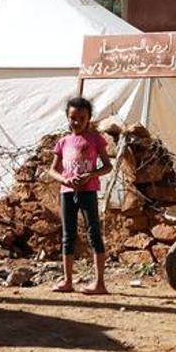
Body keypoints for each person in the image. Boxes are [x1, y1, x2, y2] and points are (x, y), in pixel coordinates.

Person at [47, 96, 113, 294]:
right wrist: (64, 180)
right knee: (68, 236)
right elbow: (52, 170)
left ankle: (100, 283)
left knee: (93, 233)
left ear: (89, 119)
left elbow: (108, 166)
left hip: (88, 191)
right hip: (67, 192)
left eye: (81, 118)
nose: (76, 122)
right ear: (68, 117)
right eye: (73, 118)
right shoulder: (63, 142)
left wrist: (90, 175)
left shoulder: (95, 140)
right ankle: (67, 281)